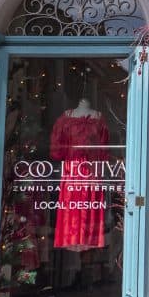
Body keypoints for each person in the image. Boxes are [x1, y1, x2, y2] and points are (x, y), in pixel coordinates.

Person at [50, 98, 109, 251]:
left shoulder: (99, 118)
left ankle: (87, 238)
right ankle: (71, 237)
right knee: (73, 205)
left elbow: (104, 149)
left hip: (90, 171)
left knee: (89, 204)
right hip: (72, 171)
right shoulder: (66, 118)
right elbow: (57, 149)